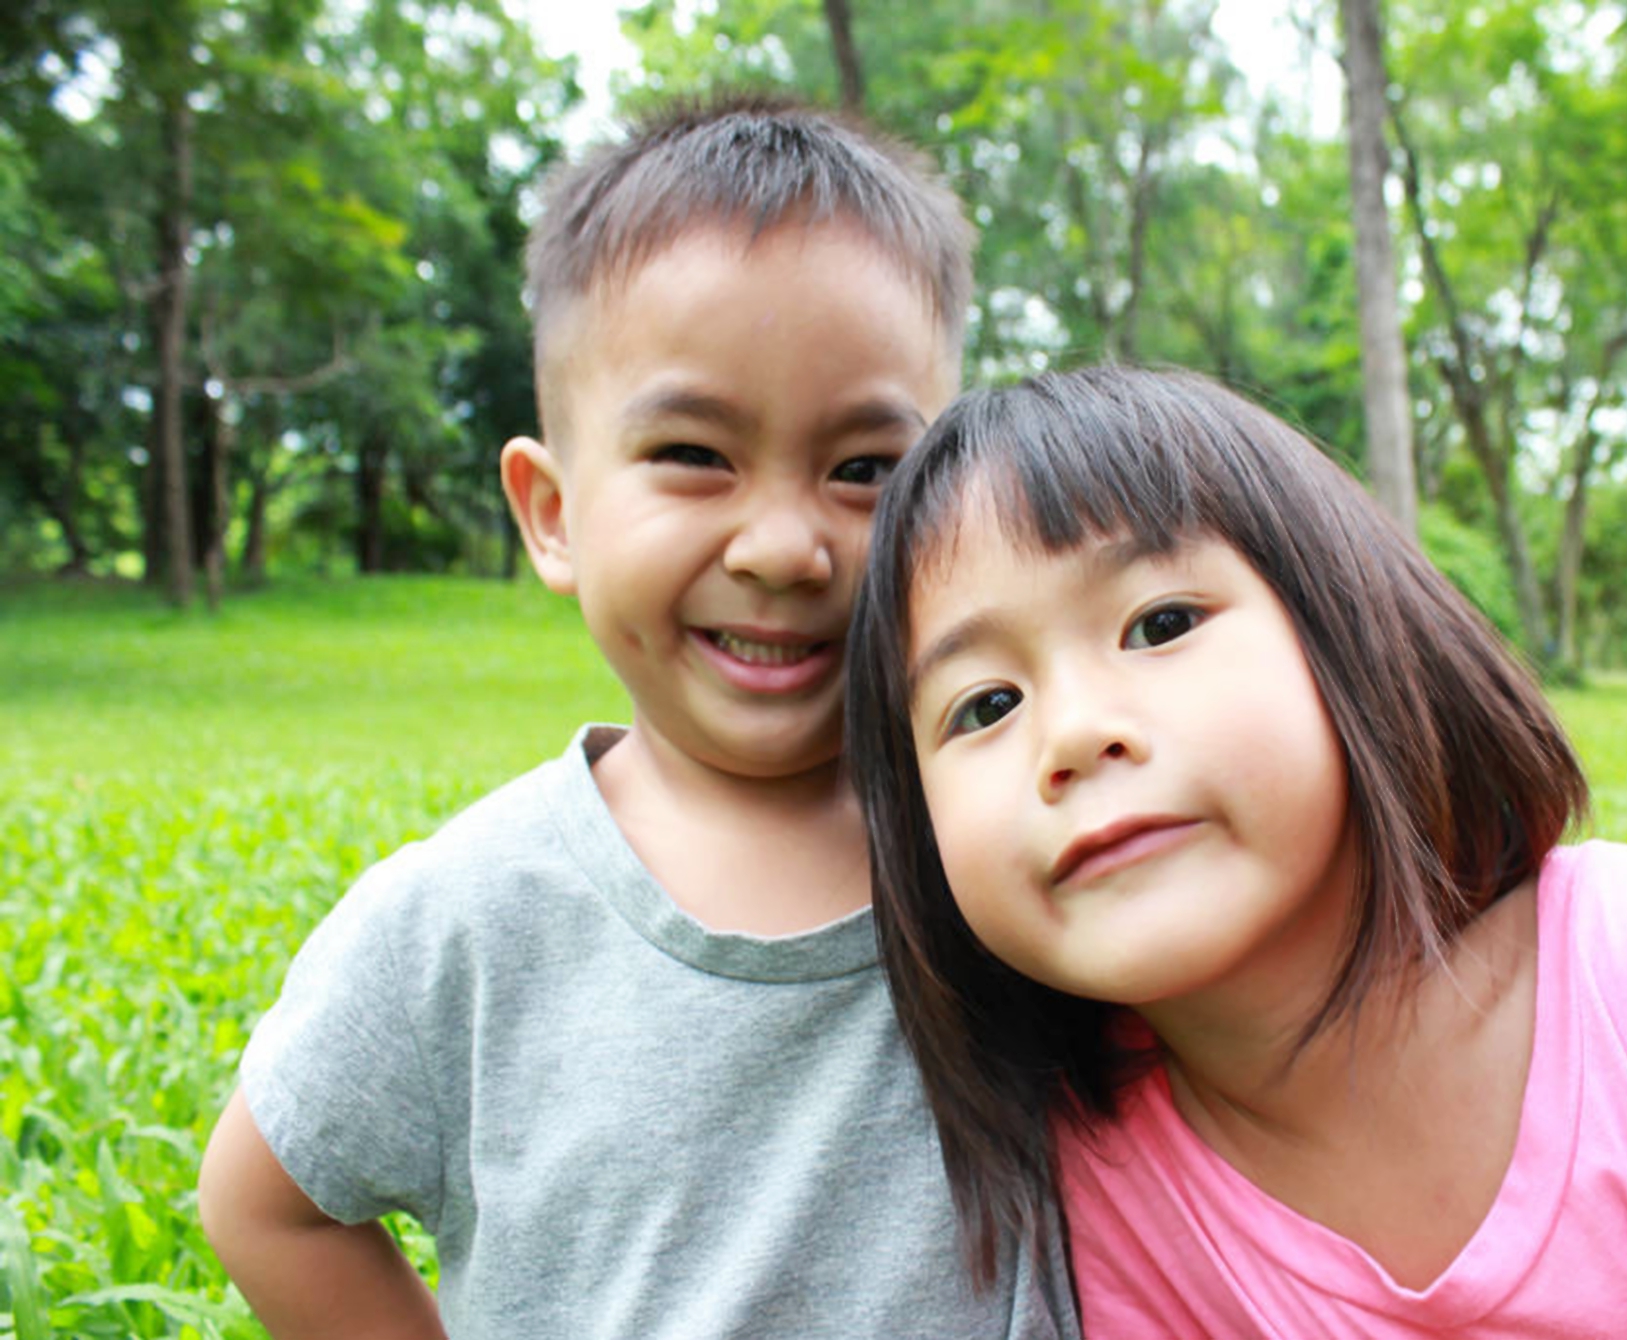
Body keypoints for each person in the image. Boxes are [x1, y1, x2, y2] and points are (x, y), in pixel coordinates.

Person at [843, 363, 1627, 1337]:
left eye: (1159, 623)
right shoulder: (1101, 1188)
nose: (1070, 735)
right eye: (983, 704)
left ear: (1344, 626)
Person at [197, 95, 1077, 1339]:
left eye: (866, 470)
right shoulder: (465, 918)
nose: (781, 547)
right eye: (693, 454)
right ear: (552, 512)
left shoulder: (1020, 833)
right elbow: (264, 1202)